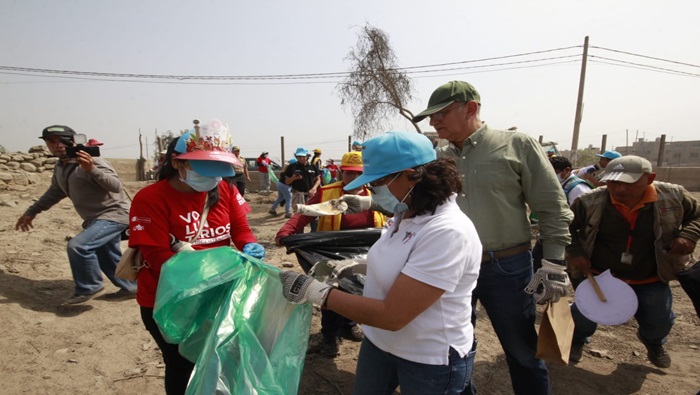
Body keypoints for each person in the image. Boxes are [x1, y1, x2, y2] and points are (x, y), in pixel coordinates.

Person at [280, 131, 482, 395]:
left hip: (428, 357)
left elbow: (393, 315)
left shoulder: (447, 231)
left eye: (378, 182)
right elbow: (403, 262)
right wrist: (358, 264)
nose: (374, 189)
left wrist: (315, 292)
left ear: (412, 175)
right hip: (380, 343)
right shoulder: (406, 213)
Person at [412, 81, 573, 395]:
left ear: (470, 108)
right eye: (431, 117)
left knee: (522, 351)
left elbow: (552, 207)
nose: (434, 122)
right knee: (455, 347)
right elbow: (419, 204)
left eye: (441, 113)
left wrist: (553, 263)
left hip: (507, 267)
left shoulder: (516, 145)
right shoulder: (438, 158)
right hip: (452, 268)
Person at [128, 119, 265, 395]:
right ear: (178, 163)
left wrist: (249, 245)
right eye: (204, 168)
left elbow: (240, 229)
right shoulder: (149, 198)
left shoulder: (225, 189)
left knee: (218, 357)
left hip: (217, 295)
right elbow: (159, 260)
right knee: (181, 364)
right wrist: (219, 266)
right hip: (169, 300)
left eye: (218, 170)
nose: (213, 177)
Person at [566, 155, 700, 368]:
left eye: (627, 182)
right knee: (584, 312)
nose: (619, 189)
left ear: (650, 178)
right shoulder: (591, 200)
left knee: (659, 320)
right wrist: (576, 252)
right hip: (600, 274)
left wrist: (690, 235)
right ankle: (576, 341)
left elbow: (697, 216)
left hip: (650, 275)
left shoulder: (673, 195)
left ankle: (654, 344)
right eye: (612, 181)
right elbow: (567, 228)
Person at [276, 151, 387, 356]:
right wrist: (287, 231)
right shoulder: (327, 192)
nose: (353, 178)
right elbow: (305, 214)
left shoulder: (377, 196)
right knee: (332, 294)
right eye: (348, 173)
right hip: (331, 253)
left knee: (358, 288)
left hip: (364, 253)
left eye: (358, 174)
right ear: (341, 173)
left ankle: (349, 324)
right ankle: (329, 337)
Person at [15, 125, 136, 304]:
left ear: (73, 141)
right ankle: (131, 287)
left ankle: (89, 287)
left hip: (114, 215)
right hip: (94, 220)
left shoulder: (92, 160)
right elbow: (54, 193)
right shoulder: (60, 167)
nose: (58, 145)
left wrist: (91, 169)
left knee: (79, 246)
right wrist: (31, 212)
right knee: (105, 253)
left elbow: (116, 186)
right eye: (51, 142)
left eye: (62, 141)